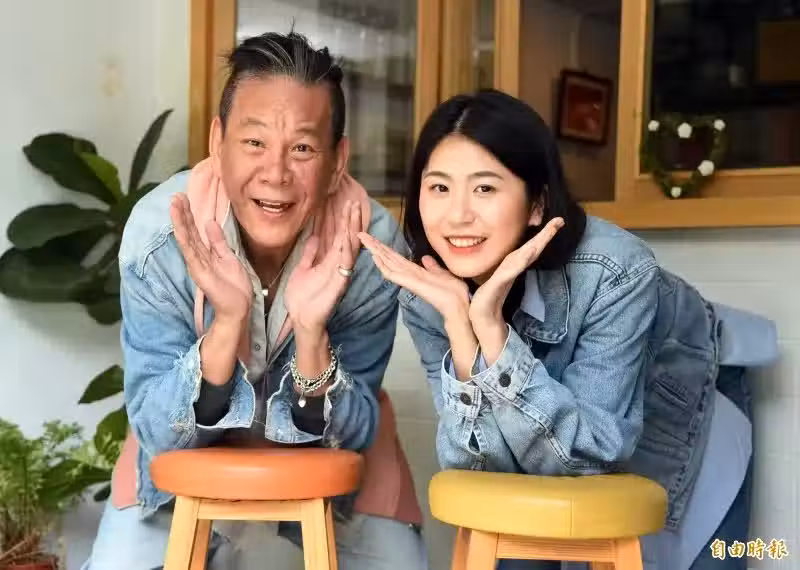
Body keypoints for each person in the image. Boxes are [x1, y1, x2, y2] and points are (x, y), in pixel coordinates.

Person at [358, 89, 776, 570]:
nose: (457, 216)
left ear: (536, 205)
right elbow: (478, 464)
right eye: (439, 188)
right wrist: (462, 321)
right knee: (514, 542)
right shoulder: (431, 294)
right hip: (563, 430)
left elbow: (588, 455)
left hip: (682, 395)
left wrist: (489, 328)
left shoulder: (616, 270)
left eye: (485, 189)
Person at [82, 31, 428, 570]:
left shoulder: (369, 245)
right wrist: (227, 324)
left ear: (338, 160)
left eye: (303, 148)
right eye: (254, 142)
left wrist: (311, 336)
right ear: (218, 141)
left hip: (334, 476)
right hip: (181, 471)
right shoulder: (160, 236)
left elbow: (355, 429)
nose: (276, 173)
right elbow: (156, 429)